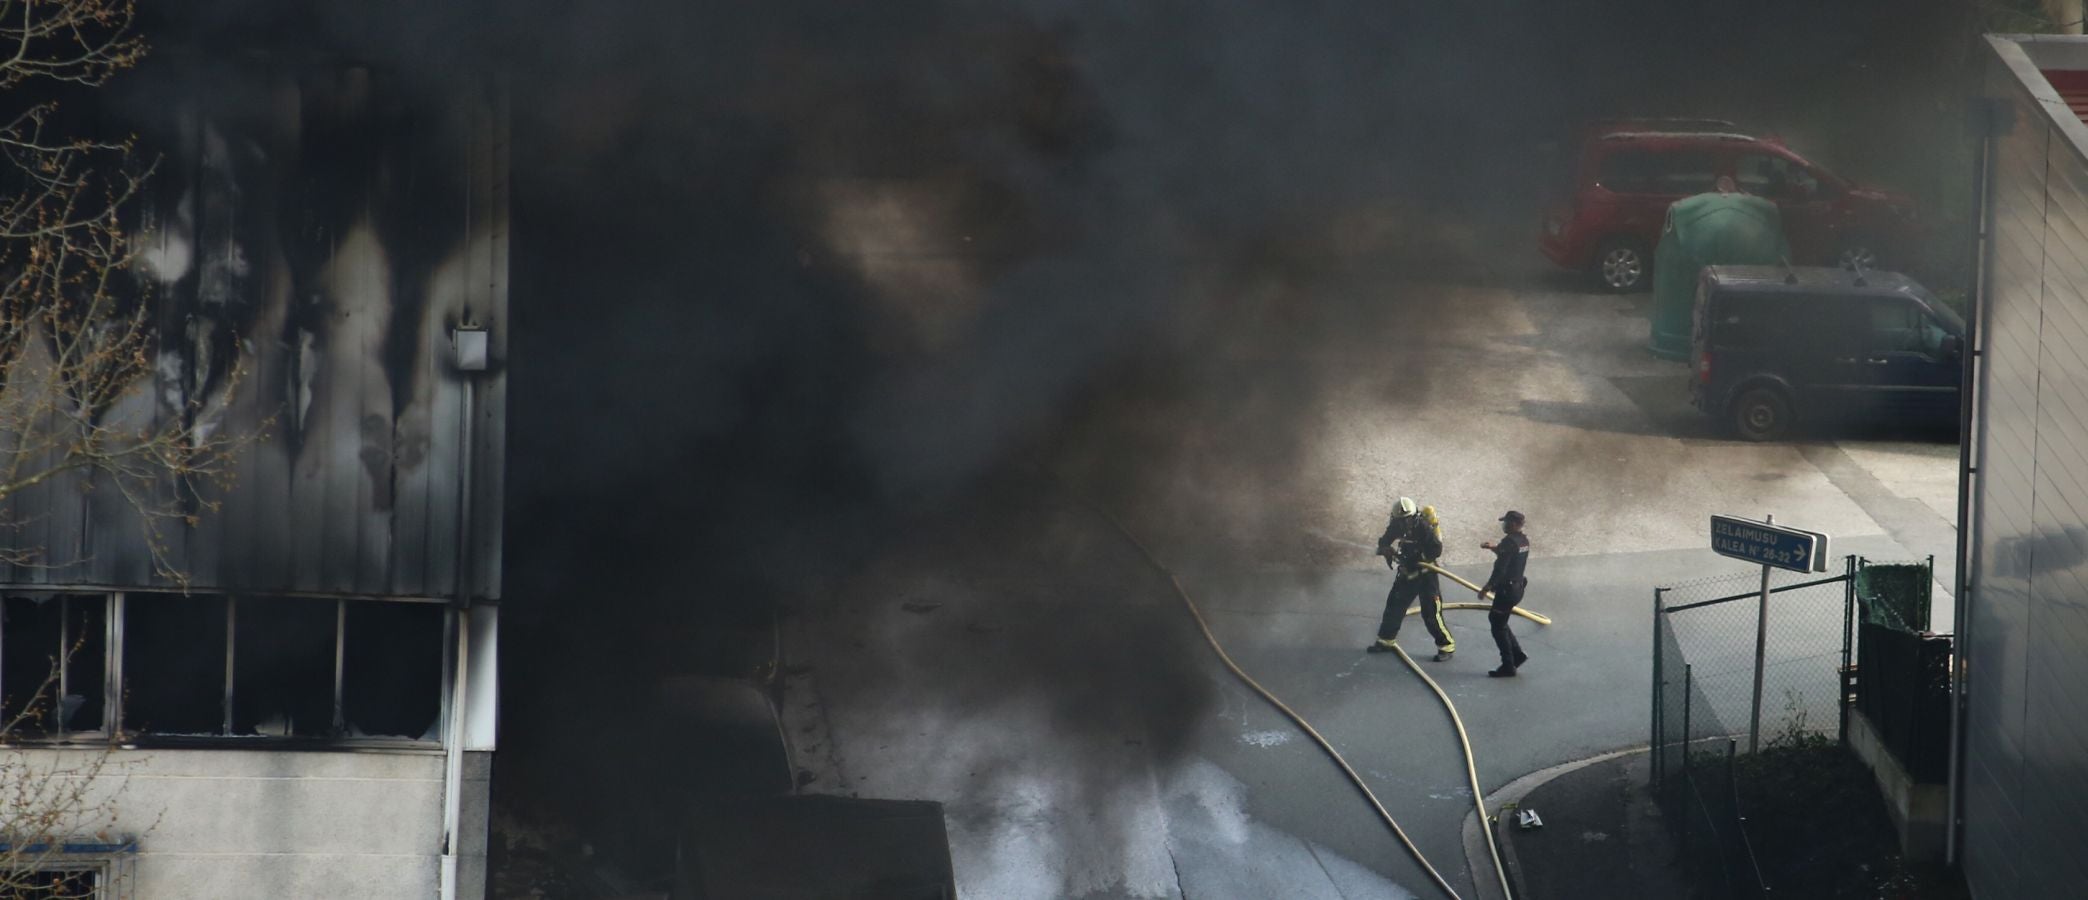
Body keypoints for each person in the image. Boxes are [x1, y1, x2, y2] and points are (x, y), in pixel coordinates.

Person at [1369, 497, 1454, 661]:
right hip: (1407, 574)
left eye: (1407, 520)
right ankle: (1386, 640)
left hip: (1425, 575)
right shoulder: (1396, 525)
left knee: (1431, 613)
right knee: (1394, 606)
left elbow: (1436, 549)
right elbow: (1385, 539)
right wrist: (1385, 548)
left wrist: (1416, 559)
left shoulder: (1423, 527)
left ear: (1414, 517)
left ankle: (1446, 646)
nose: (1404, 524)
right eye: (1401, 521)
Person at [1479, 511, 1532, 677]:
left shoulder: (1509, 542)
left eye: (1507, 522)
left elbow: (1500, 568)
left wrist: (1487, 587)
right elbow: (1508, 555)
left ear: (1515, 524)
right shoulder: (1523, 541)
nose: (1504, 525)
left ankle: (1508, 665)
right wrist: (1492, 548)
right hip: (1517, 589)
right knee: (1500, 621)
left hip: (1506, 590)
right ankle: (1517, 654)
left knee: (1497, 624)